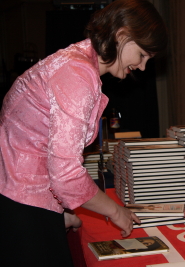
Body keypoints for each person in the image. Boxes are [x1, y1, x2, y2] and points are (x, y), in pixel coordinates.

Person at [0, 0, 167, 266]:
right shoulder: (78, 72)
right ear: (122, 36)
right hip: (22, 208)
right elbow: (65, 174)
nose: (143, 67)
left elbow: (40, 148)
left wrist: (59, 211)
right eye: (143, 55)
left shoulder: (74, 59)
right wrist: (116, 211)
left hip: (24, 201)